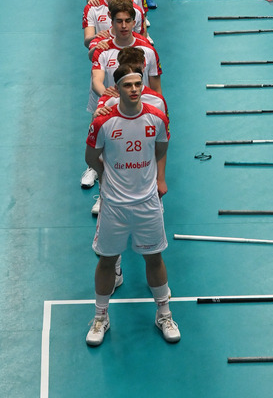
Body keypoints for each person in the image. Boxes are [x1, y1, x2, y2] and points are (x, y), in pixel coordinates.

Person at [84, 62, 180, 346]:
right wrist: (107, 178)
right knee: (107, 261)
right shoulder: (103, 122)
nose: (135, 89)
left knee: (155, 258)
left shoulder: (156, 118)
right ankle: (101, 316)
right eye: (128, 85)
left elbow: (161, 149)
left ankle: (164, 312)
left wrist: (156, 179)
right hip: (114, 206)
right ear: (118, 89)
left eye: (138, 84)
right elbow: (91, 158)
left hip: (147, 203)